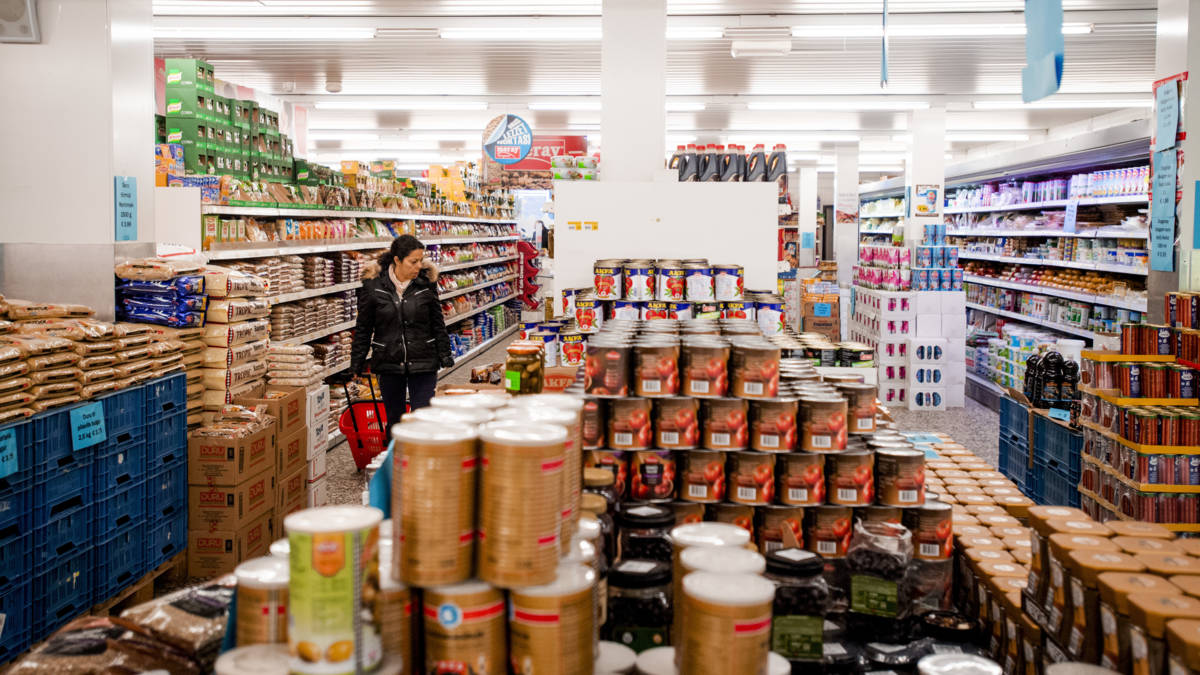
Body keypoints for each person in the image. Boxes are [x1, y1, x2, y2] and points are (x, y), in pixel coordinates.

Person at [339, 234, 453, 431]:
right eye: (413, 261)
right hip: (389, 361)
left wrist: (445, 354)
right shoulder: (373, 286)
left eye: (420, 260)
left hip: (423, 360)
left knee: (422, 419)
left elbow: (437, 322)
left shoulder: (426, 283)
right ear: (397, 260)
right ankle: (396, 461)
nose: (419, 266)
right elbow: (364, 328)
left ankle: (419, 460)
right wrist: (356, 364)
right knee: (395, 422)